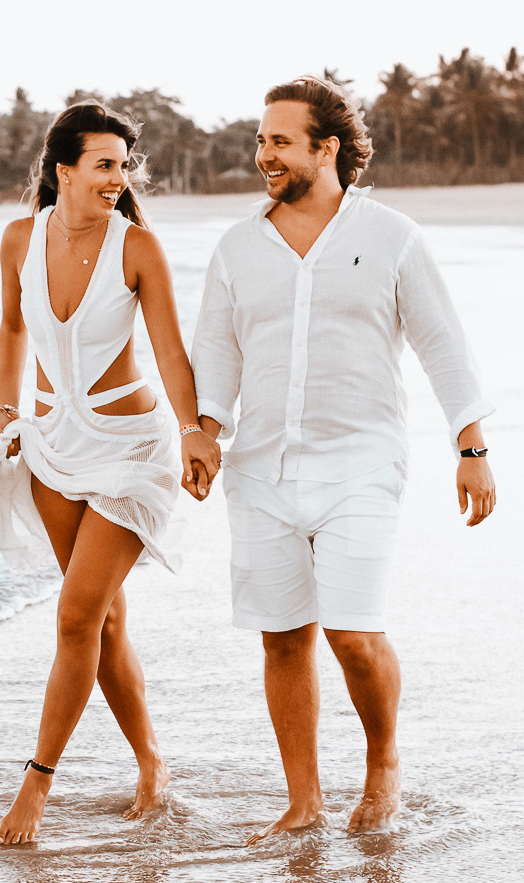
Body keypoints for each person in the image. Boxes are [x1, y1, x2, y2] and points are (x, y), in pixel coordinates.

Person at [190, 76, 496, 838]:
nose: (264, 154)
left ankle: (384, 762)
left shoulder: (390, 235)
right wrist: (203, 430)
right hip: (260, 468)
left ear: (327, 149)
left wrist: (473, 446)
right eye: (260, 139)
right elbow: (216, 354)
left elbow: (442, 344)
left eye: (280, 141)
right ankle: (303, 801)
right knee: (283, 635)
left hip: (362, 461)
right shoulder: (236, 247)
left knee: (353, 632)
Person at [0, 102, 220, 845]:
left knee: (76, 616)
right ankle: (151, 762)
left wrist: (192, 432)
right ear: (64, 169)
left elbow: (171, 352)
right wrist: (5, 412)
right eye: (105, 164)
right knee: (103, 620)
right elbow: (13, 325)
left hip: (132, 452)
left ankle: (36, 786)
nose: (119, 177)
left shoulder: (137, 247)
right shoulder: (21, 238)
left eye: (124, 165)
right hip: (50, 447)